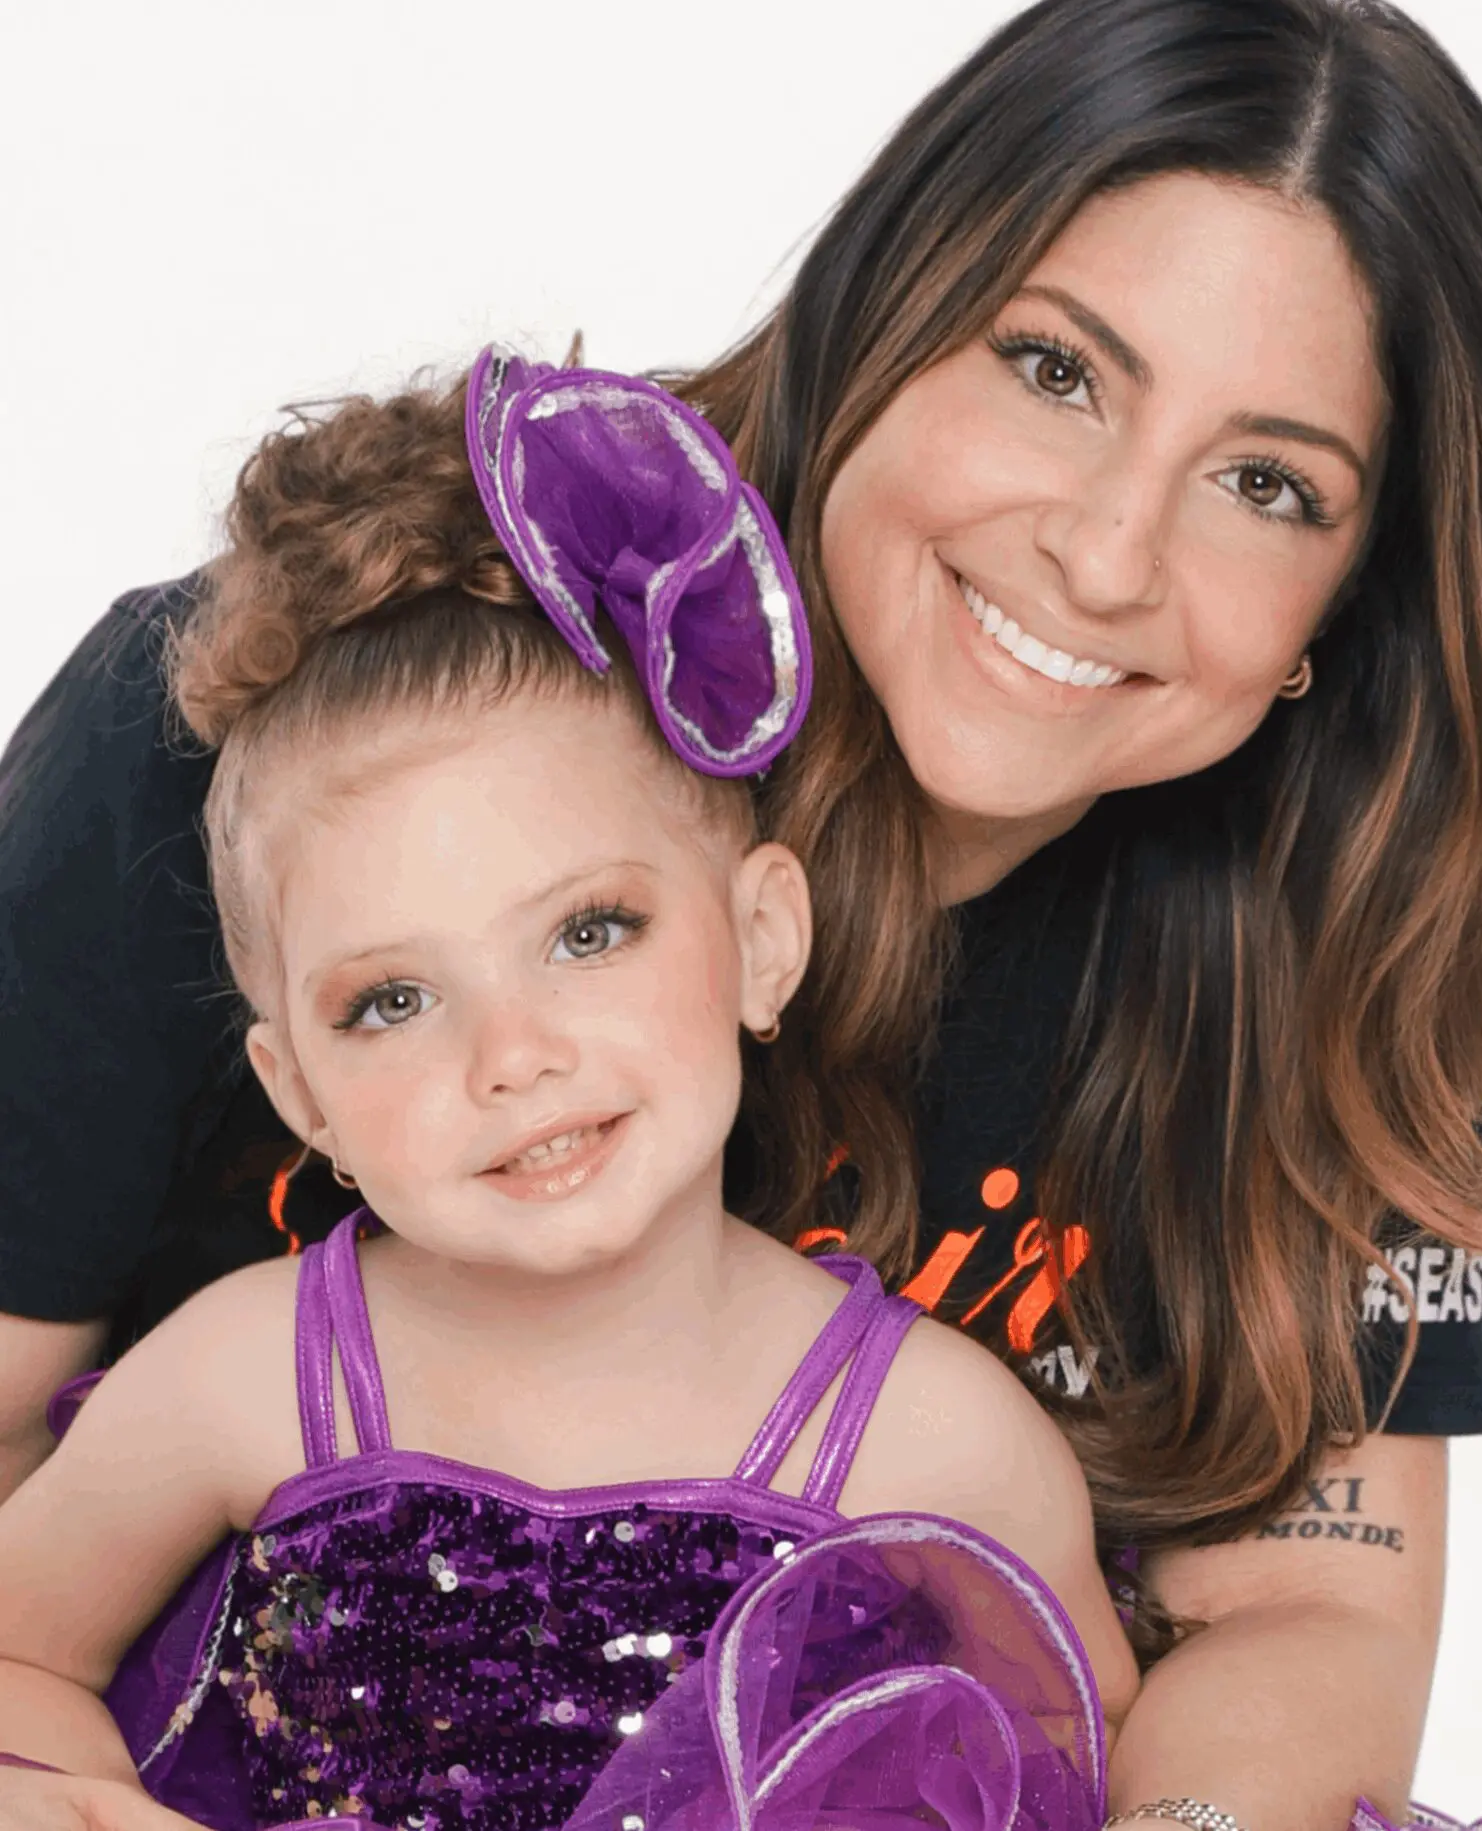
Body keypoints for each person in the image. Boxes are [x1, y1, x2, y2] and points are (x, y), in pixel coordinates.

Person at [0, 0, 1482, 1831]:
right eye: (1053, 368)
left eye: (1265, 484)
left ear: (1349, 600)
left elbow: (1308, 1610)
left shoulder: (1346, 946)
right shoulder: (299, 731)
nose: (1101, 551)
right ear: (884, 304)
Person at [0, 351, 1134, 1831]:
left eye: (589, 932)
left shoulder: (939, 1442)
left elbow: (1085, 1763)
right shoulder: (247, 1379)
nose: (512, 1053)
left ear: (760, 939)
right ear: (301, 1090)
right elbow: (19, 1651)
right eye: (392, 1000)